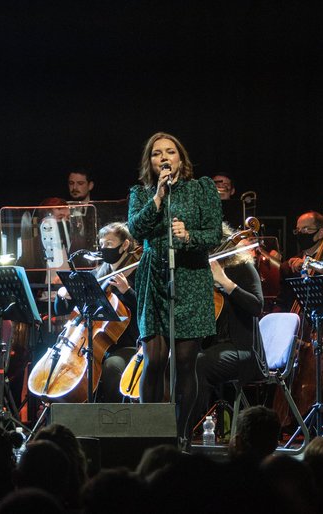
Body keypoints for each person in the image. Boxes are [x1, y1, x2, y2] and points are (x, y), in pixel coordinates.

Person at [127, 132, 222, 441]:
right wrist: (158, 198)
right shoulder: (141, 194)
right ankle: (150, 436)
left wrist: (189, 236)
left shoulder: (202, 189)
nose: (164, 157)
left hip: (191, 277)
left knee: (183, 363)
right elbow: (136, 229)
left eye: (170, 152)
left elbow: (214, 235)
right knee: (154, 361)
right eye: (157, 154)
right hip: (154, 278)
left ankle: (180, 436)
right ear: (150, 161)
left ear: (181, 158)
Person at [50, 222, 141, 403]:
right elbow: (62, 310)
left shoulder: (137, 274)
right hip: (92, 344)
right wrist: (63, 296)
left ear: (125, 245)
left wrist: (128, 292)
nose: (104, 248)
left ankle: (113, 418)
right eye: (102, 244)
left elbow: (148, 308)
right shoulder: (97, 274)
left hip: (125, 344)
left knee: (112, 366)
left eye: (109, 243)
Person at [187, 224, 264, 435]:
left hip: (243, 350)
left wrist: (225, 282)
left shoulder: (241, 267)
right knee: (179, 361)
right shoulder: (199, 272)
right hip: (211, 347)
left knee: (197, 364)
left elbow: (256, 306)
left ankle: (185, 430)